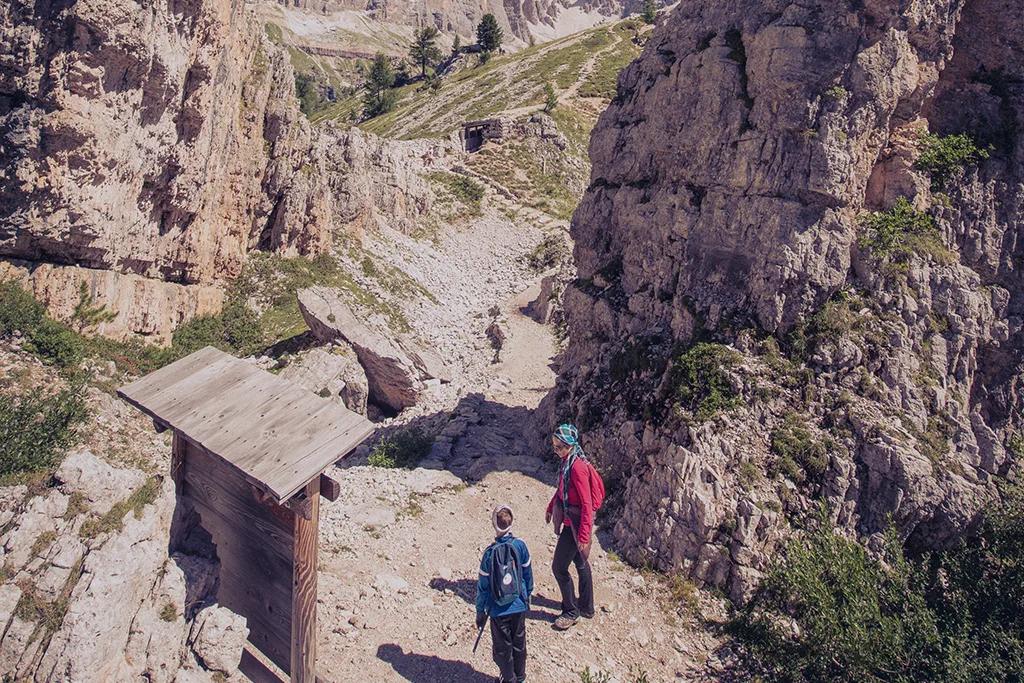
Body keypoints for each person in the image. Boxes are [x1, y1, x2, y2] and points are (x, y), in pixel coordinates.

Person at [545, 423, 595, 630]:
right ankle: (587, 606)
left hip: (573, 524)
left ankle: (571, 611)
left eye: (560, 447)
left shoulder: (577, 468)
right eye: (554, 446)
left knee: (559, 568)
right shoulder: (569, 461)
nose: (557, 451)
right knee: (580, 562)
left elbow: (586, 505)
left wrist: (584, 535)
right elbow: (562, 490)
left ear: (570, 445)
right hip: (570, 519)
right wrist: (550, 507)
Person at [476, 504, 534, 683]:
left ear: (494, 524)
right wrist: (528, 594)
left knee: (503, 649)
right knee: (519, 644)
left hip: (497, 610)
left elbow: (483, 587)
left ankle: (508, 679)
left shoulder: (489, 553)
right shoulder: (520, 546)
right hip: (518, 605)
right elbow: (527, 574)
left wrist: (480, 611)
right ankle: (520, 677)